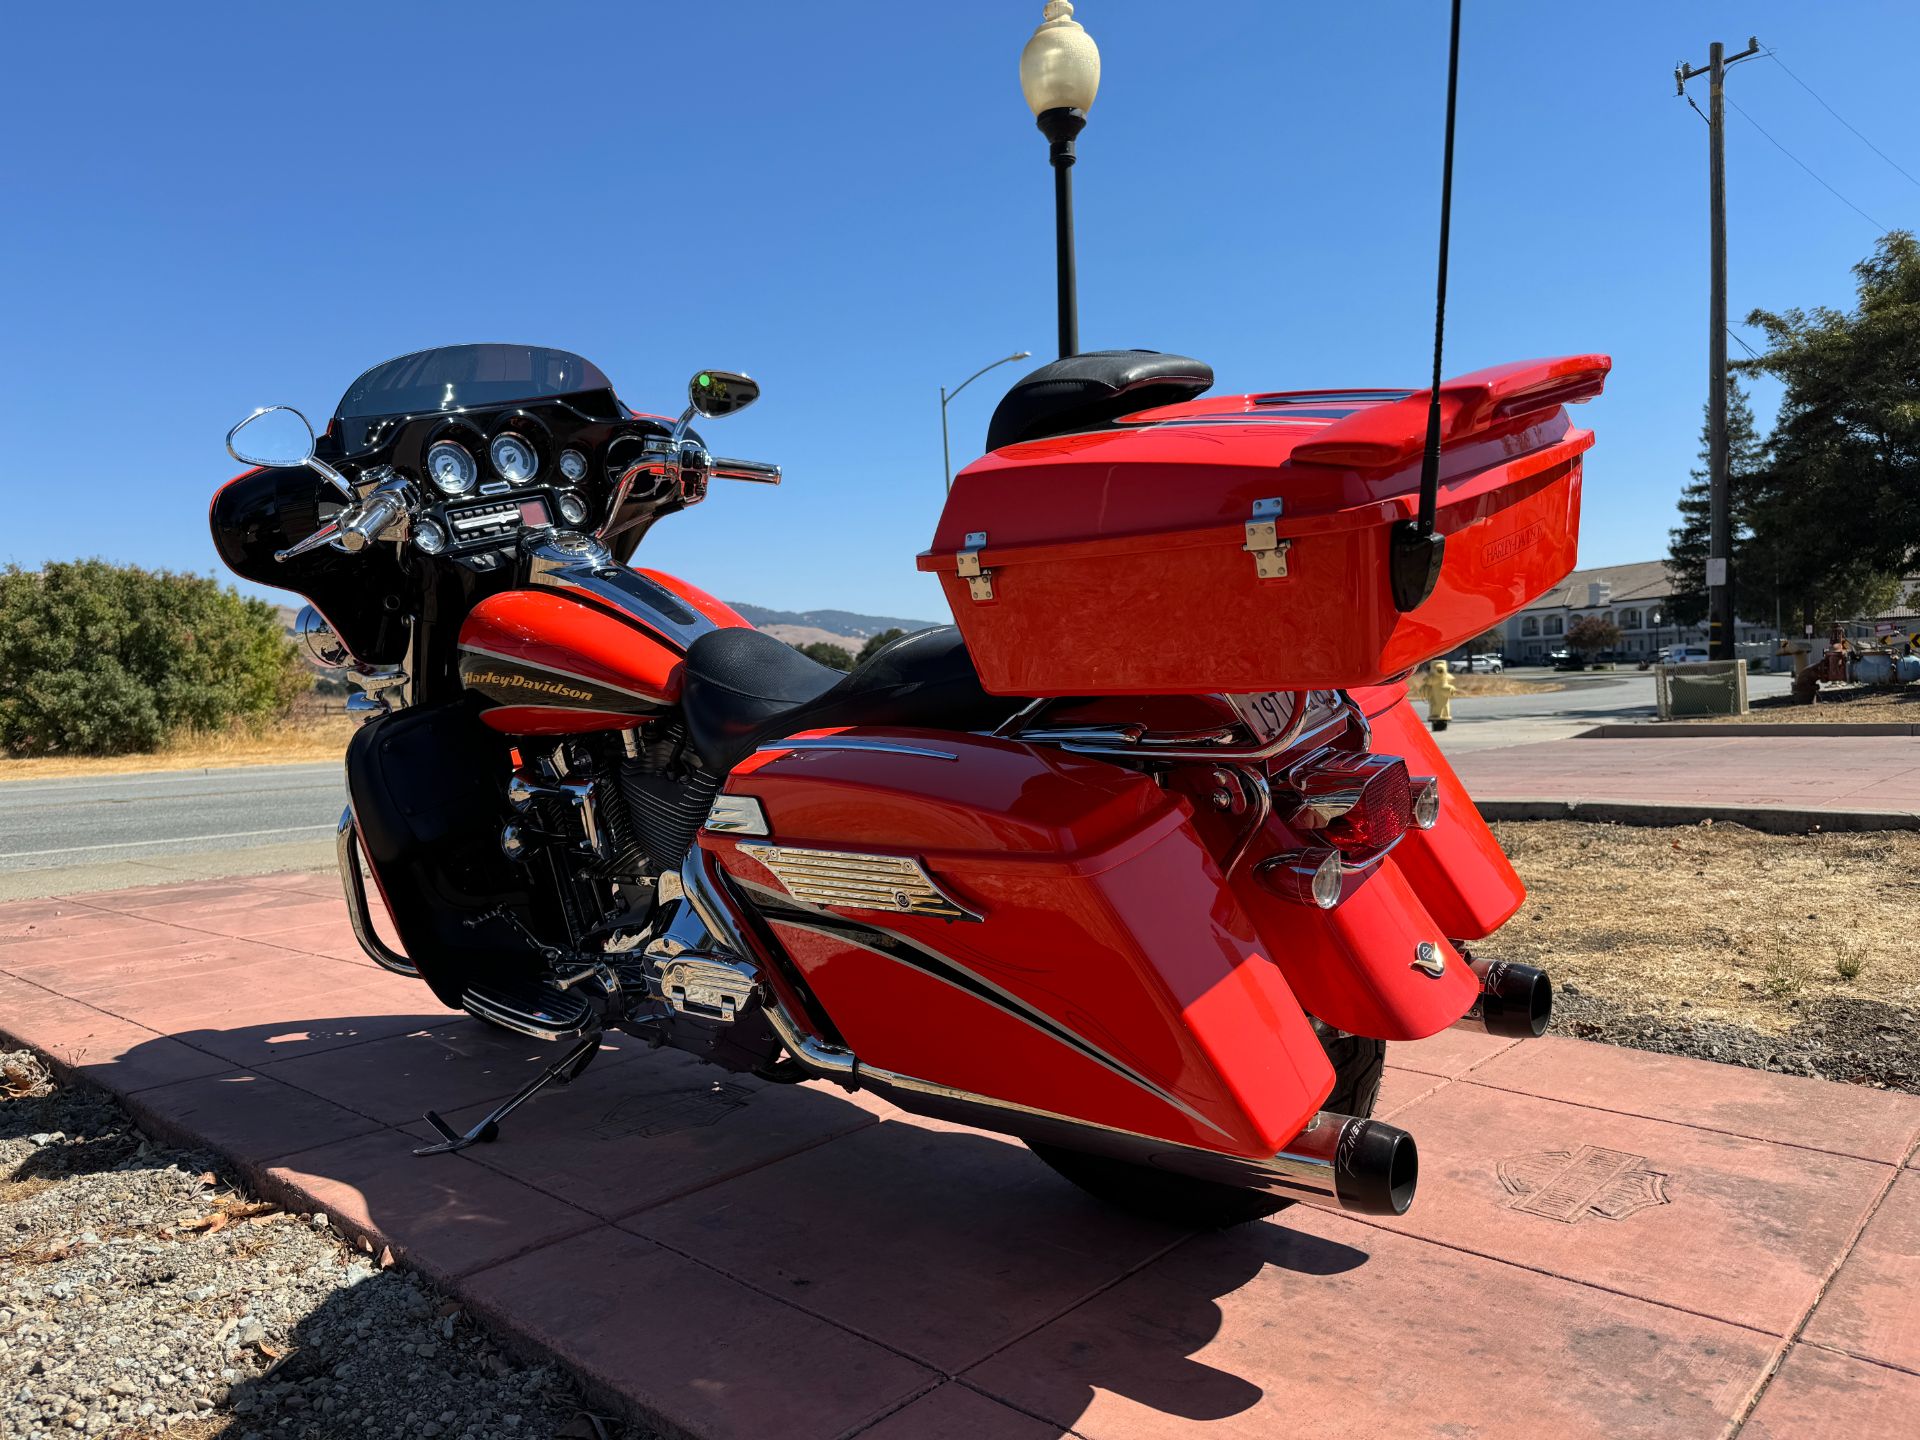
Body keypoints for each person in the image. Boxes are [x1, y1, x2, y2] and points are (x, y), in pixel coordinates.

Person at [1414, 659, 1456, 732]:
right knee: (1437, 708)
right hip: (1436, 705)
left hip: (1438, 708)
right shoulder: (1431, 681)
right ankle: (1439, 723)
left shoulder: (1431, 680)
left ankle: (1440, 722)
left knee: (1438, 708)